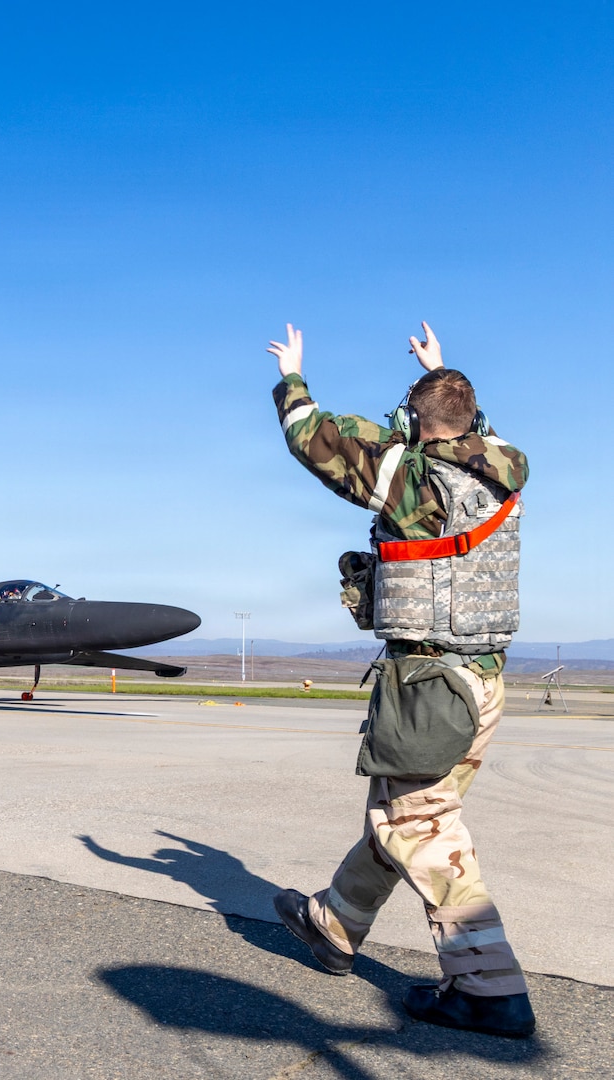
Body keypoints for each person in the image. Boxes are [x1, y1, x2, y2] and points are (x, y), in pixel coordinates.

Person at [267, 322, 534, 1038]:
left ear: (417, 423)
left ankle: (486, 988)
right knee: (402, 808)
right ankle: (336, 922)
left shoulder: (404, 477)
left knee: (418, 824)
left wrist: (293, 376)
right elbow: (469, 429)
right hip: (484, 681)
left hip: (426, 683)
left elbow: (310, 438)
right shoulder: (508, 462)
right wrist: (441, 371)